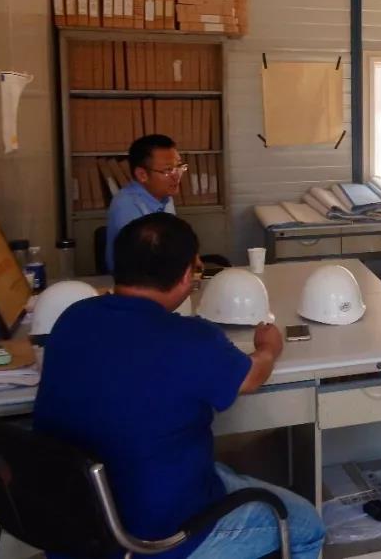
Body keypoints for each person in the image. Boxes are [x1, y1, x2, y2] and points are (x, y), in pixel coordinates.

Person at [34, 213, 324, 559]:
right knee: (307, 525)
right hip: (157, 539)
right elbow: (251, 377)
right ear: (187, 275)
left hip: (75, 527)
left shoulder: (73, 318)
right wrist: (269, 347)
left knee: (224, 471)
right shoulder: (191, 339)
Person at [105, 134, 184, 272]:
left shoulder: (164, 196)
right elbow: (144, 260)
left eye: (179, 167)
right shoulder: (126, 204)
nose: (177, 175)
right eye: (168, 170)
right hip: (137, 279)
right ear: (142, 175)